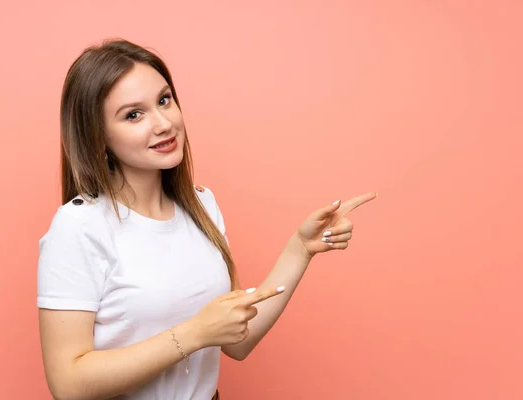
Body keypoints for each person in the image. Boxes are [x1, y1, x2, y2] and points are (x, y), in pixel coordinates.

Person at [37, 38, 377, 400]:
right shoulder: (79, 226)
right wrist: (194, 333)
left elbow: (236, 341)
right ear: (98, 137)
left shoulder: (201, 205)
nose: (163, 123)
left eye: (164, 100)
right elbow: (68, 385)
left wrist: (300, 248)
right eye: (133, 115)